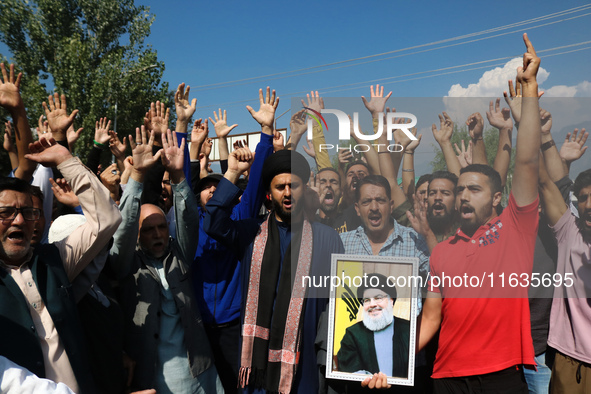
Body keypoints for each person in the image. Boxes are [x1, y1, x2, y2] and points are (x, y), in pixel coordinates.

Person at [415, 34, 542, 393]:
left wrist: (529, 88)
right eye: (460, 190)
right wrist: (389, 360)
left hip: (502, 376)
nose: (463, 196)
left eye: (474, 189)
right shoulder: (442, 252)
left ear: (498, 198)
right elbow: (431, 317)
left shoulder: (516, 227)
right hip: (447, 377)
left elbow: (528, 160)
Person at [205, 149, 344, 393]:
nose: (288, 193)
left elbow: (340, 303)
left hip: (305, 366)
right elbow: (214, 221)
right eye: (280, 187)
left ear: (305, 188)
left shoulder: (327, 238)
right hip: (255, 371)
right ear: (270, 193)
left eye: (294, 185)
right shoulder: (251, 233)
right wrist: (233, 172)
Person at [0, 136, 122, 393]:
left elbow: (107, 220)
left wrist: (66, 160)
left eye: (29, 212)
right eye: (6, 212)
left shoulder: (55, 260)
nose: (19, 221)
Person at [109, 128, 221, 393]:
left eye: (161, 226)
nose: (158, 234)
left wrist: (179, 176)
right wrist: (136, 176)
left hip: (199, 372)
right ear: (137, 236)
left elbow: (188, 219)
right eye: (148, 229)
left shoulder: (178, 254)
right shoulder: (128, 263)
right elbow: (123, 230)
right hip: (154, 375)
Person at [538, 166, 591, 393]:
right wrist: (535, 131)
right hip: (573, 361)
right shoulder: (570, 231)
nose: (588, 206)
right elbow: (544, 180)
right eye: (583, 198)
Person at [337, 273, 410, 378]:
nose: (372, 304)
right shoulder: (353, 334)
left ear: (391, 301)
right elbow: (349, 372)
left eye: (378, 298)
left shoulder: (409, 330)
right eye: (367, 300)